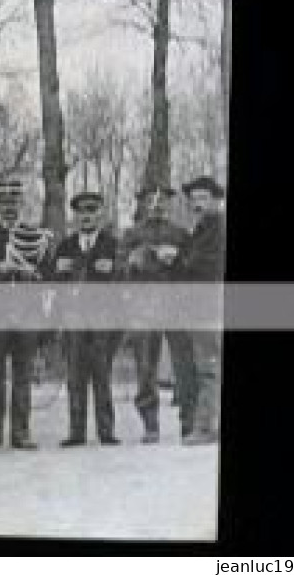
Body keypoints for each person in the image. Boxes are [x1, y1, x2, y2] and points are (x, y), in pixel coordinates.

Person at [0, 179, 53, 450]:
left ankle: (21, 432)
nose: (9, 209)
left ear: (21, 205)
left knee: (23, 375)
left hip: (27, 314)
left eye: (14, 203)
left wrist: (33, 275)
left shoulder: (37, 237)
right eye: (3, 204)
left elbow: (47, 277)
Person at [121, 182, 195, 443]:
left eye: (163, 199)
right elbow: (119, 274)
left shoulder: (182, 234)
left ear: (170, 204)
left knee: (184, 364)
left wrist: (177, 260)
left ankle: (188, 423)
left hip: (176, 306)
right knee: (145, 367)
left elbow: (193, 270)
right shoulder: (131, 235)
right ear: (142, 204)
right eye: (150, 199)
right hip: (144, 306)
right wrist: (132, 263)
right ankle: (150, 425)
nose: (157, 204)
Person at [53, 191, 122, 447]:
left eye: (92, 211)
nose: (86, 216)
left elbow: (122, 281)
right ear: (75, 216)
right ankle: (76, 432)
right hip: (73, 319)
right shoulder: (65, 246)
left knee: (102, 375)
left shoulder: (113, 246)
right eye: (81, 211)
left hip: (103, 320)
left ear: (100, 214)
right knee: (75, 376)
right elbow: (56, 282)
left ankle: (106, 431)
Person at [178, 176, 225, 446]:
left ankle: (205, 428)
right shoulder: (201, 227)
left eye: (203, 198)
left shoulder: (216, 227)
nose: (197, 204)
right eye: (193, 199)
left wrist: (179, 259)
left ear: (214, 200)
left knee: (208, 365)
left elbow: (205, 264)